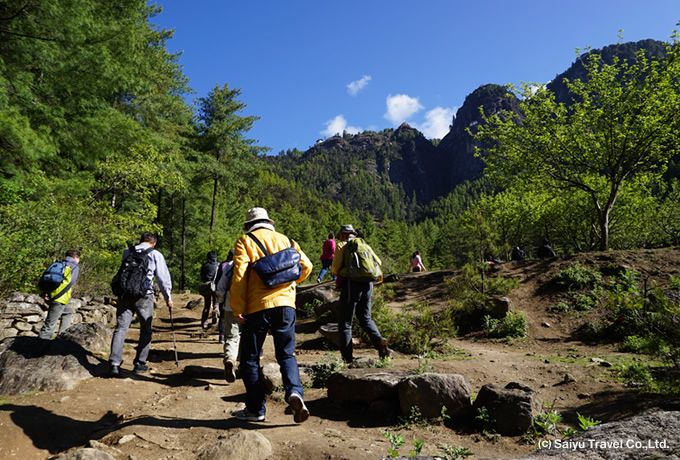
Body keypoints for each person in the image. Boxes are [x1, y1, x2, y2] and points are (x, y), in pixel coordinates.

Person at [230, 207, 313, 423]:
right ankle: (295, 392)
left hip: (257, 307)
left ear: (248, 226)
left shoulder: (245, 241)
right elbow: (307, 266)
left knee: (249, 358)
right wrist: (289, 283)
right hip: (286, 305)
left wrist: (237, 308)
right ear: (270, 222)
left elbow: (239, 277)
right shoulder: (288, 241)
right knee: (286, 354)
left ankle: (256, 409)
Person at [108, 232, 173, 377]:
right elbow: (163, 278)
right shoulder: (155, 254)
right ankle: (139, 363)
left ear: (140, 240)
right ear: (153, 243)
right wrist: (168, 297)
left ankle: (114, 363)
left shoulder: (127, 251)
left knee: (121, 328)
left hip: (125, 294)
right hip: (144, 295)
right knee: (146, 329)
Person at [331, 224, 389, 364]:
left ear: (344, 235)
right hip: (368, 285)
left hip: (352, 285)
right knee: (365, 318)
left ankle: (347, 358)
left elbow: (335, 268)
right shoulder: (364, 244)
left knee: (345, 322)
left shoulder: (342, 246)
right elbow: (378, 262)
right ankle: (379, 340)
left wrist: (346, 271)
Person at [38, 249, 81, 339]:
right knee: (49, 325)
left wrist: (44, 293)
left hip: (50, 296)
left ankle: (62, 337)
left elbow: (44, 279)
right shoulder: (73, 266)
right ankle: (39, 346)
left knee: (68, 312)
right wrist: (55, 295)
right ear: (76, 257)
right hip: (59, 298)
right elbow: (68, 283)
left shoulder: (58, 264)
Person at [215, 248, 239, 382]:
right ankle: (246, 366)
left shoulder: (231, 265)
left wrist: (221, 300)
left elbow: (221, 287)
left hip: (231, 304)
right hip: (251, 306)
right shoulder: (255, 263)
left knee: (231, 336)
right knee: (247, 336)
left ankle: (230, 358)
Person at [199, 250, 220, 331]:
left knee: (207, 305)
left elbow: (202, 276)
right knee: (216, 303)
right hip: (216, 286)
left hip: (207, 286)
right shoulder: (219, 265)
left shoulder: (205, 265)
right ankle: (215, 313)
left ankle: (204, 323)